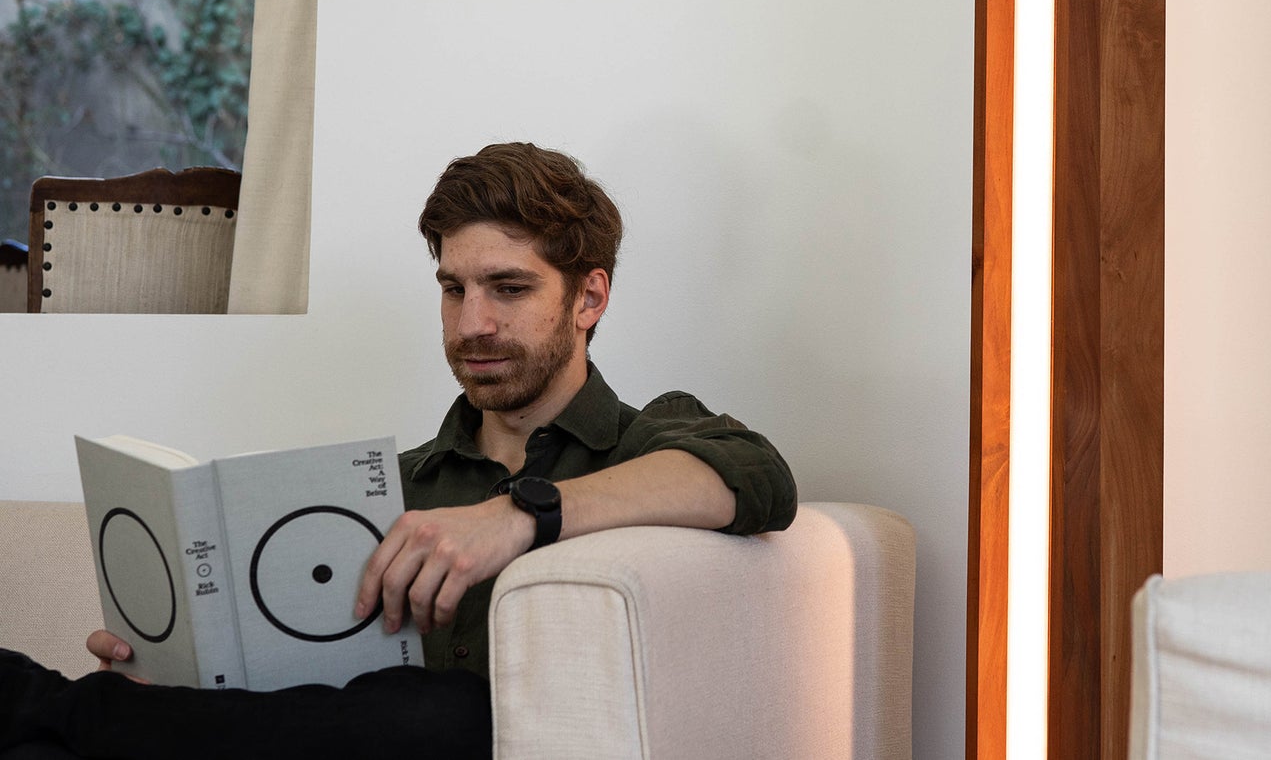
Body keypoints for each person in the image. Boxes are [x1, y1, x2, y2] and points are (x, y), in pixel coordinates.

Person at [1, 142, 796, 759]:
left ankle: (67, 709)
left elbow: (757, 475)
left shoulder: (643, 442)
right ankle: (92, 714)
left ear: (588, 296)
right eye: (453, 289)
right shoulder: (389, 486)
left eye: (508, 288)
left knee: (446, 711)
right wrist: (167, 679)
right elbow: (291, 706)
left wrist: (522, 514)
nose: (471, 322)